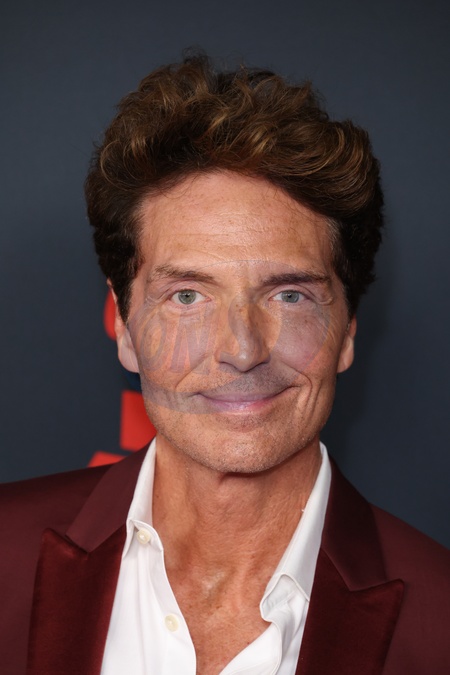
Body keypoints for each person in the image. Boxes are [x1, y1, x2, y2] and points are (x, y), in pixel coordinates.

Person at [1, 53, 449, 675]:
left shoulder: (440, 623)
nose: (242, 350)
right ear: (124, 325)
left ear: (347, 329)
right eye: (188, 296)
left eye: (289, 296)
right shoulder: (6, 553)